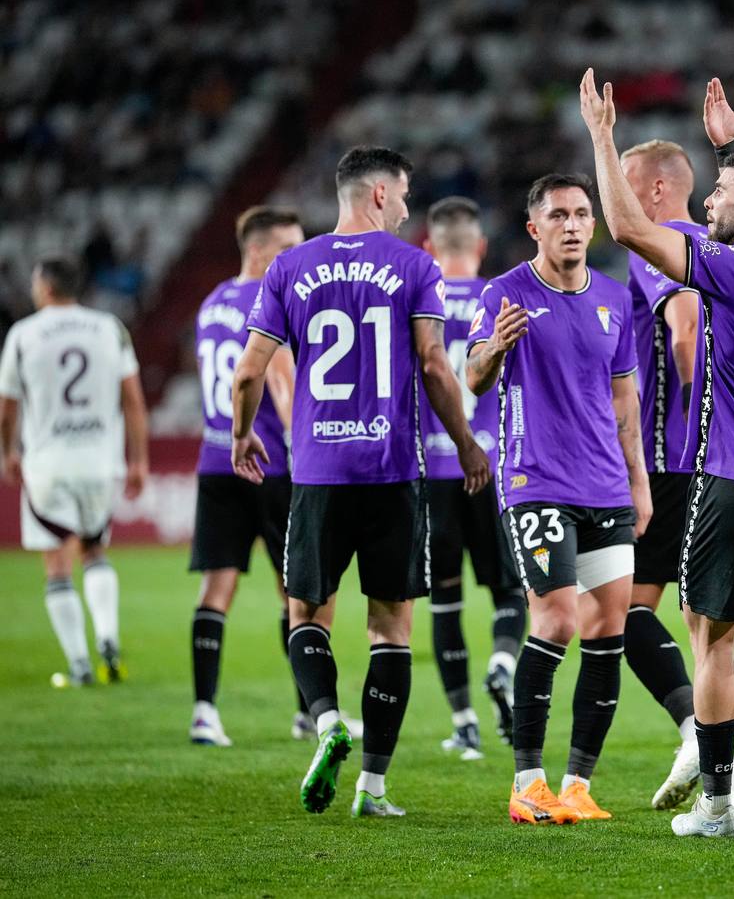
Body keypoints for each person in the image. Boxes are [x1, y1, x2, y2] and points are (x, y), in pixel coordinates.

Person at [582, 71, 734, 842]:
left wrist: (600, 135)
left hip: (730, 480)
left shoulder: (727, 269)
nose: (710, 203)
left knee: (711, 638)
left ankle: (718, 805)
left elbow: (626, 230)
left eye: (720, 191)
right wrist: (732, 150)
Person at [232, 146, 489, 818]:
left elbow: (249, 372)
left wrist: (242, 433)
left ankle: (325, 722)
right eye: (402, 195)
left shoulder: (291, 267)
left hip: (317, 472)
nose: (406, 207)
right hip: (393, 471)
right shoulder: (414, 265)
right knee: (392, 629)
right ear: (377, 195)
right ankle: (373, 788)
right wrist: (465, 445)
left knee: (305, 614)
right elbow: (434, 366)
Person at [465, 172, 651, 825]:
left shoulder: (613, 299)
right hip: (536, 483)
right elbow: (474, 377)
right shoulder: (504, 294)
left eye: (581, 214)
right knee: (557, 621)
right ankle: (525, 782)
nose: (572, 225)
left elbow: (624, 396)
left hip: (605, 486)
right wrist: (495, 346)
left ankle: (576, 785)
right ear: (534, 227)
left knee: (607, 629)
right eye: (558, 215)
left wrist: (640, 482)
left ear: (593, 225)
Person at [619, 137, 734, 811]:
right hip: (728, 461)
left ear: (655, 189)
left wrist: (691, 409)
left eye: (623, 184)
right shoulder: (724, 248)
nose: (614, 200)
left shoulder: (665, 243)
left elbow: (684, 327)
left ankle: (693, 731)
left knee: (625, 611)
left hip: (671, 462)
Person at [188, 206, 307, 746]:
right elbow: (278, 381)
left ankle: (204, 713)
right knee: (297, 593)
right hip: (269, 465)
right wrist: (303, 450)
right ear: (259, 253)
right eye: (288, 249)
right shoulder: (272, 302)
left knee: (217, 589)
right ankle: (310, 713)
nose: (297, 260)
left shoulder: (212, 303)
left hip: (216, 462)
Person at [0, 255, 148, 687]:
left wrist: (8, 450)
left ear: (45, 287)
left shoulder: (23, 334)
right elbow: (134, 401)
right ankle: (108, 638)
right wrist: (138, 459)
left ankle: (80, 662)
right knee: (95, 551)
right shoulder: (108, 328)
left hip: (48, 463)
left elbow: (7, 408)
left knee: (58, 566)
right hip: (100, 462)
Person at [418, 196, 527, 759]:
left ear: (429, 247)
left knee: (446, 602)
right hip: (493, 465)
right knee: (510, 588)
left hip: (434, 471)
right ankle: (503, 664)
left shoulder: (416, 300)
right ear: (480, 246)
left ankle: (463, 723)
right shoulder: (501, 297)